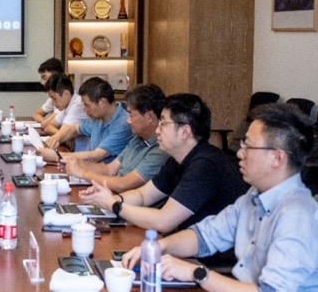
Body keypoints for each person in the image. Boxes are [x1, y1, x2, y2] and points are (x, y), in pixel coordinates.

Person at [122, 103, 318, 292]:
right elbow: (204, 237)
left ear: (277, 158)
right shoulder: (254, 197)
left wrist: (197, 273)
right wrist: (160, 247)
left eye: (249, 146)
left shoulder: (298, 218)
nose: (240, 153)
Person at [81, 93, 246, 235]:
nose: (157, 130)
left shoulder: (205, 165)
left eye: (163, 124)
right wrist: (104, 199)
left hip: (213, 257)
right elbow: (143, 196)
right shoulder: (176, 160)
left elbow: (164, 220)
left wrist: (114, 205)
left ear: (185, 131)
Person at [63, 83, 168, 193]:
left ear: (149, 117)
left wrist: (82, 173)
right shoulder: (137, 138)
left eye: (131, 115)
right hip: (113, 195)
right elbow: (109, 169)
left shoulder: (160, 150)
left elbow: (123, 184)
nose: (128, 121)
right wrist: (76, 163)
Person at [41, 77, 132, 164]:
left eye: (87, 105)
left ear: (102, 102)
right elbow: (74, 129)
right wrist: (56, 138)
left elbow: (96, 156)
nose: (84, 110)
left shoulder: (124, 123)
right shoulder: (98, 118)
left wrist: (57, 156)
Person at [37, 73, 89, 151]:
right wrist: (62, 135)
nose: (54, 103)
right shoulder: (66, 105)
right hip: (71, 151)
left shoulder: (77, 105)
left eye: (54, 98)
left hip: (81, 154)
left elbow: (62, 133)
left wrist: (62, 135)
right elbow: (48, 127)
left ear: (66, 94)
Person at [31, 57, 65, 133]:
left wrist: (46, 124)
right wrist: (46, 122)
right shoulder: (53, 98)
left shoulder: (66, 99)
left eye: (44, 78)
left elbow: (45, 125)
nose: (43, 83)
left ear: (56, 76)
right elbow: (36, 115)